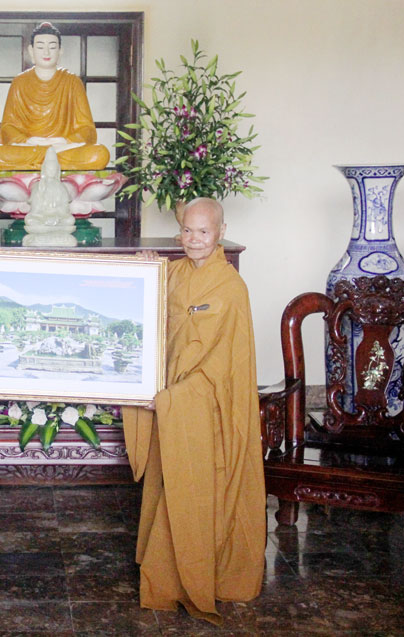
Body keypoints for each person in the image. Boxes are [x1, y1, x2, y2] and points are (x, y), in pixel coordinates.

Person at [123, 198, 265, 624]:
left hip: (207, 408)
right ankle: (165, 574)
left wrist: (171, 399)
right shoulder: (176, 273)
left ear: (221, 231)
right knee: (171, 486)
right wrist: (147, 269)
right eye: (188, 231)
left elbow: (223, 365)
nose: (195, 240)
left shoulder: (230, 287)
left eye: (204, 232)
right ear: (179, 231)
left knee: (199, 489)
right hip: (174, 404)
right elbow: (149, 309)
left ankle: (205, 574)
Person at [0, 21, 109, 172]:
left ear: (60, 51)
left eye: (52, 47)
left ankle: (42, 163)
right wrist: (28, 140)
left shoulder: (72, 82)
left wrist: (65, 140)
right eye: (41, 47)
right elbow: (8, 127)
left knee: (100, 154)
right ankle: (50, 162)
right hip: (31, 148)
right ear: (31, 50)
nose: (46, 53)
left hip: (63, 148)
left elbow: (87, 129)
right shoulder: (20, 82)